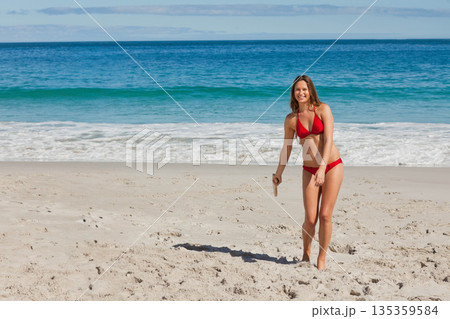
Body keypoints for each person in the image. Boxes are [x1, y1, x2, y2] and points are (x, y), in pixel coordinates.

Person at [272, 75, 343, 270]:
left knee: (325, 215)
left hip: (331, 167)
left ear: (310, 90)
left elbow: (328, 140)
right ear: (293, 94)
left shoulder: (323, 110)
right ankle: (306, 253)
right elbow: (286, 148)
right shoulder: (291, 120)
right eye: (297, 90)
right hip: (309, 169)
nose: (301, 93)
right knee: (310, 218)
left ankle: (321, 259)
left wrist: (322, 168)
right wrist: (278, 173)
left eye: (304, 89)